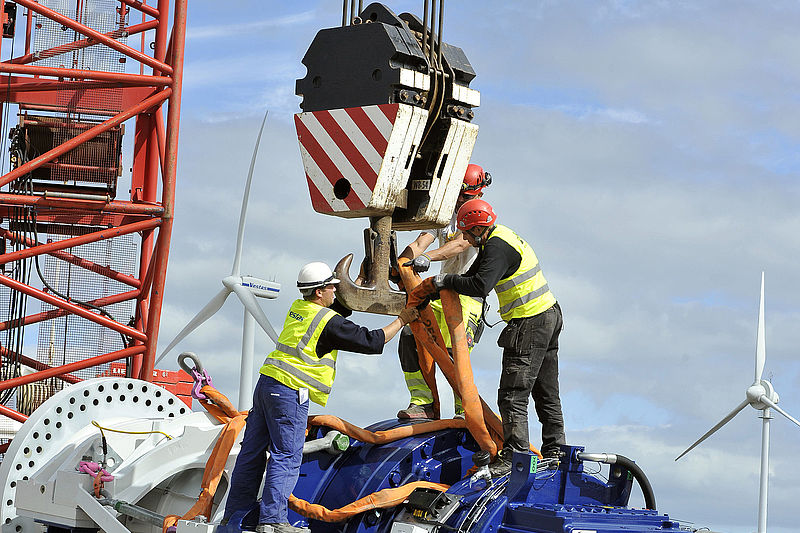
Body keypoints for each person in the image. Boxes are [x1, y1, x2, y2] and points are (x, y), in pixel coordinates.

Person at [223, 262, 418, 533]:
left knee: (251, 454)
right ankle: (272, 520)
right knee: (286, 456)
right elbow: (372, 340)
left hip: (267, 385)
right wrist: (402, 319)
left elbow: (334, 316)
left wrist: (356, 285)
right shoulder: (327, 323)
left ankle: (234, 516)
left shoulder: (299, 309)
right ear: (319, 292)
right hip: (290, 391)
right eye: (332, 287)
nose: (335, 291)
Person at [418, 198, 565, 476]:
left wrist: (444, 281)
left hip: (529, 322)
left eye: (466, 233)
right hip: (548, 315)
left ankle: (515, 455)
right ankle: (556, 452)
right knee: (546, 392)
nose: (466, 240)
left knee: (512, 394)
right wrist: (434, 288)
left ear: (476, 229)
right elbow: (473, 274)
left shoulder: (497, 248)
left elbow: (478, 285)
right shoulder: (499, 237)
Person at [396, 164, 492, 420]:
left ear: (479, 194)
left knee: (455, 352)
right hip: (440, 291)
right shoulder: (446, 215)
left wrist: (427, 258)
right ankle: (423, 402)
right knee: (409, 335)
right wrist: (401, 262)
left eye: (467, 197)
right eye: (458, 195)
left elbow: (460, 244)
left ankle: (464, 410)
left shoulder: (482, 218)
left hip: (468, 296)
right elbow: (419, 243)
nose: (461, 200)